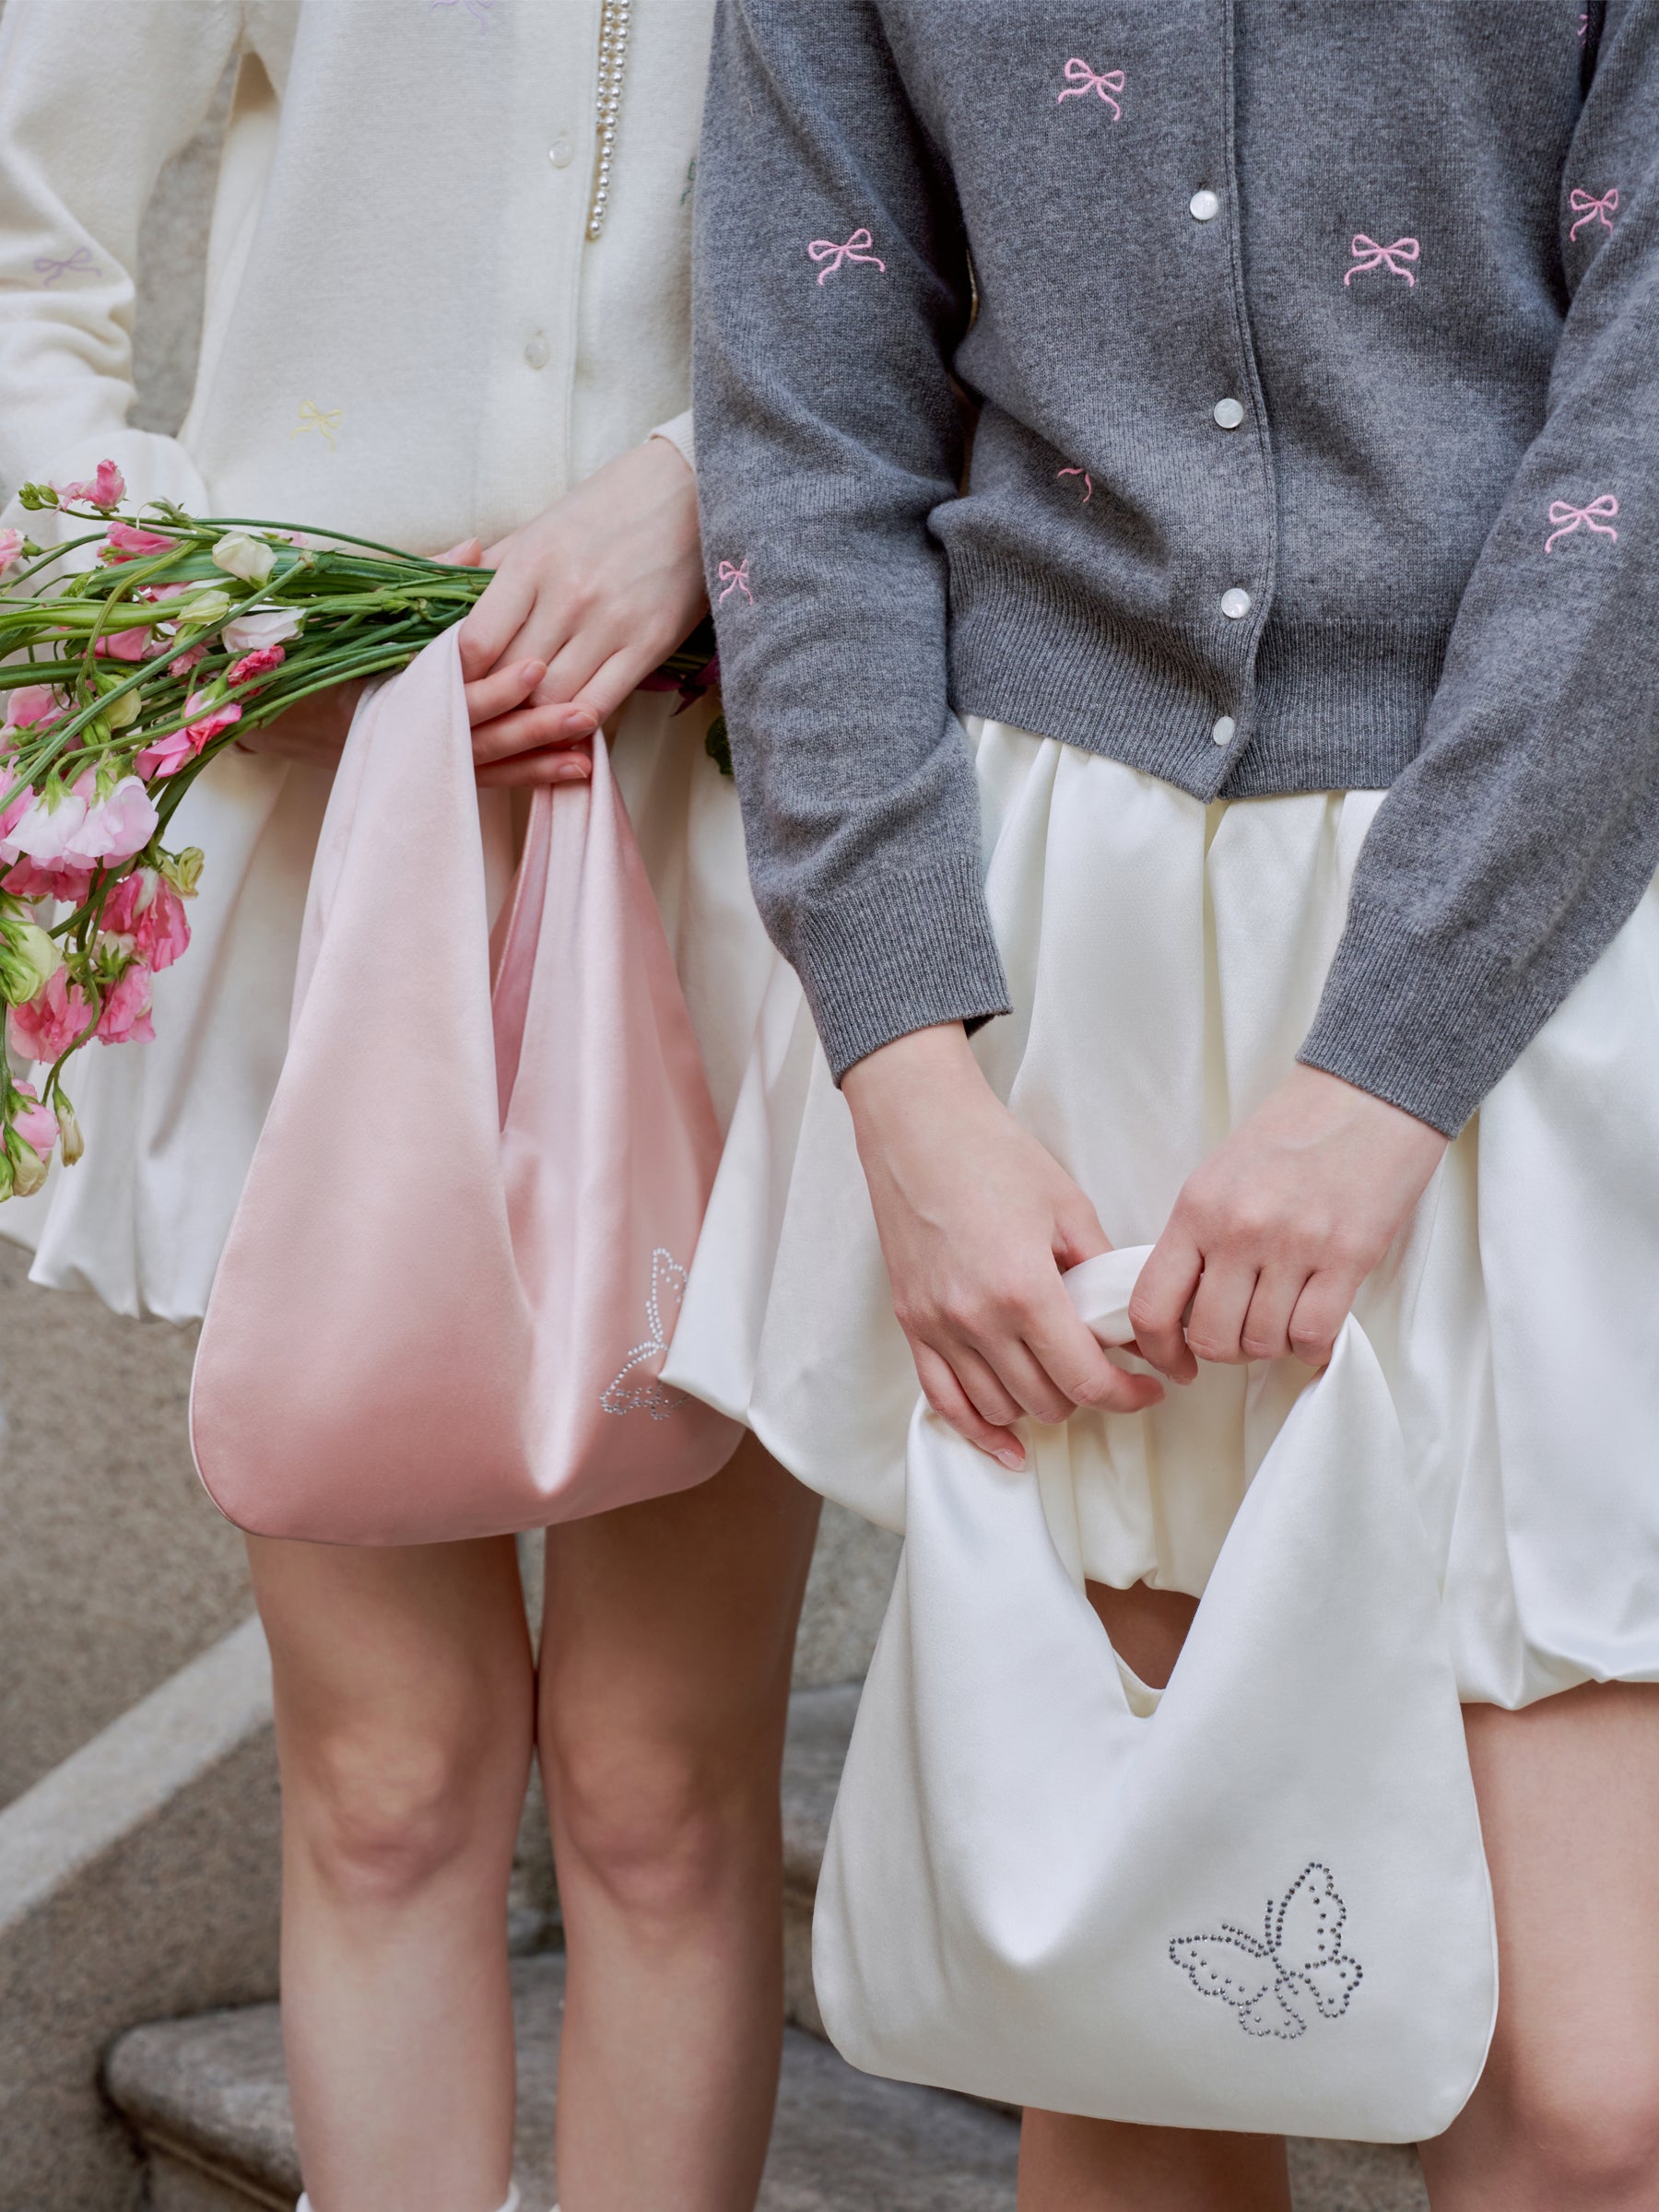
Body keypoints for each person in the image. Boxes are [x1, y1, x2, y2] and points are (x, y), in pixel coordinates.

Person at [673, 2, 1659, 2206]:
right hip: (1073, 958)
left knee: (1592, 2104)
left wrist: (1385, 1071)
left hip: (1550, 899)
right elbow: (801, 449)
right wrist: (909, 1078)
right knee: (1155, 2032)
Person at [0, 6, 821, 2209]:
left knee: (660, 1780)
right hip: (339, 834)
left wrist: (706, 478)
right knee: (386, 1774)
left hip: (740, 835)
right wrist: (197, 614)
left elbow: (975, 245)